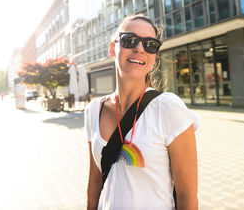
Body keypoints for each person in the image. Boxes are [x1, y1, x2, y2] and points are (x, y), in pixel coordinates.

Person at [84, 14, 199, 210]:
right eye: (130, 40)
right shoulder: (94, 109)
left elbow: (186, 195)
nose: (139, 48)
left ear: (155, 55)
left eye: (150, 44)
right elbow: (95, 182)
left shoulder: (169, 108)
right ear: (113, 48)